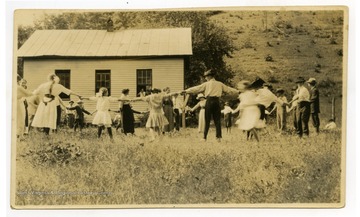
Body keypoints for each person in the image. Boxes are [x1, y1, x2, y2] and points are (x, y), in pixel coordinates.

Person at [182, 69, 239, 142]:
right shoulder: (220, 84)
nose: (205, 78)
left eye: (206, 76)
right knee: (217, 120)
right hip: (216, 102)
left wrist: (186, 91)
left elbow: (196, 88)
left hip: (209, 101)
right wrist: (237, 91)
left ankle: (204, 137)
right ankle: (218, 137)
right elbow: (229, 89)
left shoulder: (206, 84)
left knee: (207, 120)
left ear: (209, 76)